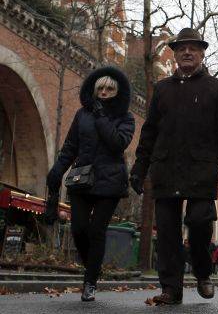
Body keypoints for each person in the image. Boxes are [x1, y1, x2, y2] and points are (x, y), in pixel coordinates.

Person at [129, 27, 218, 305]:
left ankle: (203, 271)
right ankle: (171, 289)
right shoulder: (162, 90)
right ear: (175, 55)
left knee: (200, 223)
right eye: (182, 48)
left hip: (201, 170)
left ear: (202, 53)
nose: (187, 52)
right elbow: (150, 132)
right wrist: (139, 167)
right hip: (166, 169)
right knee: (167, 233)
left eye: (193, 48)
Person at [45, 67, 135, 302]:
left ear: (117, 92)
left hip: (110, 183)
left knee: (97, 231)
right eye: (100, 89)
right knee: (78, 229)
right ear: (94, 90)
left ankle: (90, 282)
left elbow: (117, 143)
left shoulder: (126, 117)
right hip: (81, 179)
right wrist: (57, 170)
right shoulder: (81, 115)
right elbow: (70, 147)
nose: (104, 92)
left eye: (109, 89)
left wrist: (101, 116)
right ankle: (92, 267)